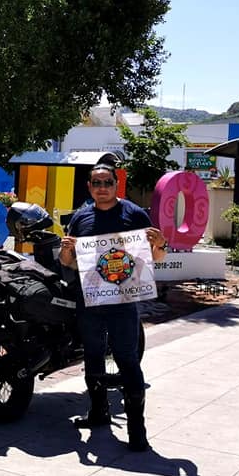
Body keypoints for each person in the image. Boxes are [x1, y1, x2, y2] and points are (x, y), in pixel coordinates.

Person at [57, 163, 168, 452]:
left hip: (123, 302)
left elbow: (154, 258)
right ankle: (98, 412)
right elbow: (69, 263)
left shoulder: (134, 214)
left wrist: (160, 244)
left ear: (116, 184)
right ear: (89, 187)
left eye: (107, 182)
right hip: (90, 300)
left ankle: (137, 430)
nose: (102, 188)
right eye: (97, 183)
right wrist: (66, 251)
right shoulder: (81, 218)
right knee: (93, 356)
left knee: (127, 359)